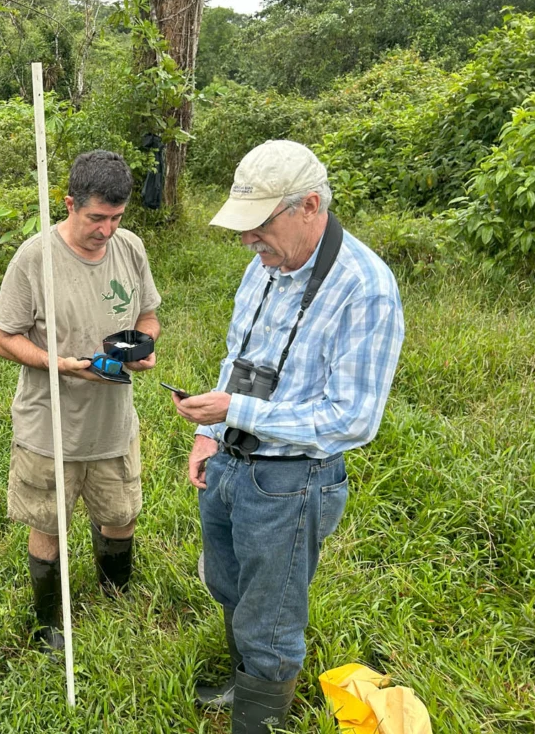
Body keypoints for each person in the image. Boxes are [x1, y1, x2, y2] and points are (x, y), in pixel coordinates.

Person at [172, 141, 404, 733]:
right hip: (231, 457)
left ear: (309, 205)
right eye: (244, 229)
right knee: (228, 583)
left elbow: (352, 419)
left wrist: (237, 408)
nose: (249, 242)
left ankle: (259, 720)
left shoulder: (366, 287)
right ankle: (243, 679)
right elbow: (239, 354)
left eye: (259, 227)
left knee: (271, 615)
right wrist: (212, 433)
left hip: (292, 480)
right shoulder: (266, 264)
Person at [0, 150, 162, 651]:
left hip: (113, 420)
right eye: (96, 218)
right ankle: (49, 624)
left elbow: (148, 315)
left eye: (116, 218)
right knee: (49, 521)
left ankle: (116, 598)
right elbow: (3, 338)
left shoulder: (130, 248)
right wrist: (56, 362)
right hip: (51, 423)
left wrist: (145, 347)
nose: (107, 230)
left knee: (121, 511)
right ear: (69, 204)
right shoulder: (35, 258)